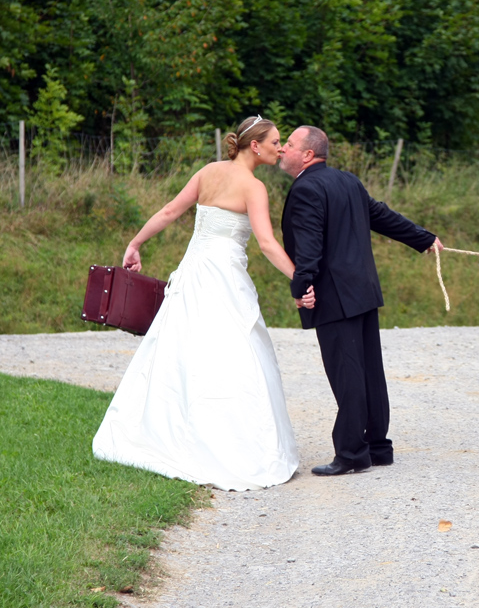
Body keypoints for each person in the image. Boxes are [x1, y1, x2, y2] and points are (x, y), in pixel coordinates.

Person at [92, 115, 315, 491]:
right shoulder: (254, 188)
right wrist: (300, 279)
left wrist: (135, 244)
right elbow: (266, 244)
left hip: (193, 274)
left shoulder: (208, 171)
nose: (281, 148)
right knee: (234, 354)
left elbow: (168, 212)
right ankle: (227, 442)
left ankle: (174, 431)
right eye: (277, 142)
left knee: (183, 351)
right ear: (255, 146)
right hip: (224, 279)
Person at [278, 125, 443, 476]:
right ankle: (378, 447)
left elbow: (309, 246)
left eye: (289, 145)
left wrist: (301, 286)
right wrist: (422, 237)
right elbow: (381, 215)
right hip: (362, 290)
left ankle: (352, 453)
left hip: (335, 294)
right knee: (369, 370)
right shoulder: (347, 180)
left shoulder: (306, 188)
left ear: (308, 154)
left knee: (347, 373)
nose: (282, 150)